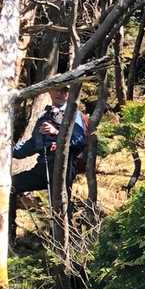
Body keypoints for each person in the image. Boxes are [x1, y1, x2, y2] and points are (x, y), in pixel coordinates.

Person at [9, 87, 88, 238]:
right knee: (11, 186)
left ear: (69, 94)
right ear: (50, 91)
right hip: (41, 167)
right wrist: (9, 150)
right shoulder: (43, 116)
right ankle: (8, 235)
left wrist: (57, 133)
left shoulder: (74, 114)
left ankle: (63, 244)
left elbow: (79, 141)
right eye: (57, 90)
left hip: (63, 168)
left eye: (64, 91)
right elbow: (32, 144)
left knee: (60, 206)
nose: (60, 93)